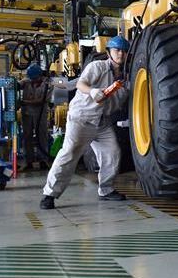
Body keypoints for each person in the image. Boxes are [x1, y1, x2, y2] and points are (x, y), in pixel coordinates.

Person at [40, 36, 130, 209]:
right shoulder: (98, 67)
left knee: (112, 153)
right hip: (82, 119)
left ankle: (106, 190)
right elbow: (81, 83)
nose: (121, 54)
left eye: (124, 51)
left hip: (102, 122)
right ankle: (49, 194)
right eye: (117, 50)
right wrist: (92, 91)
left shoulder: (124, 76)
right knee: (69, 154)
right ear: (109, 52)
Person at [20, 64, 51, 171]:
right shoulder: (27, 81)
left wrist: (24, 102)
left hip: (40, 113)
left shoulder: (48, 84)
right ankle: (28, 161)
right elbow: (17, 86)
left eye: (34, 79)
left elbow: (40, 101)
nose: (32, 81)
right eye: (31, 78)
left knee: (42, 136)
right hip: (27, 113)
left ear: (40, 76)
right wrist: (18, 83)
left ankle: (43, 161)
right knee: (27, 136)